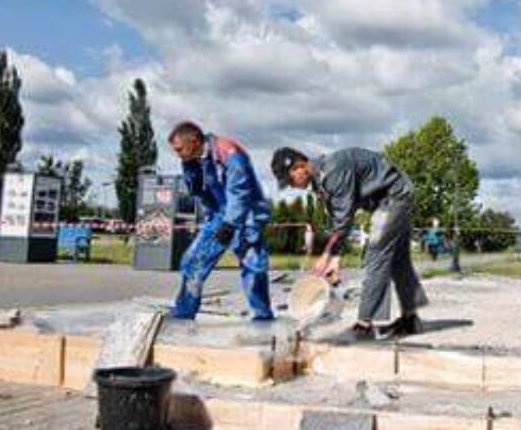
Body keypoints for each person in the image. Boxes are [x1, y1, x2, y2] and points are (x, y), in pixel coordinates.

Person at [272, 146, 427, 340]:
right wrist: (335, 259)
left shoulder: (334, 171)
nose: (292, 186)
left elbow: (343, 220)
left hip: (395, 197)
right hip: (394, 195)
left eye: (290, 180)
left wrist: (326, 256)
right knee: (398, 259)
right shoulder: (322, 179)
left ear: (300, 166)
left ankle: (365, 325)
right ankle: (411, 319)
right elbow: (340, 217)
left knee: (376, 256)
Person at [168, 121, 274, 321]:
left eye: (180, 149)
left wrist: (230, 224)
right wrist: (189, 168)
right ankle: (183, 313)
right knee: (193, 261)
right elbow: (200, 191)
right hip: (219, 214)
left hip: (245, 215)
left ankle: (263, 317)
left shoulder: (229, 153)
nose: (178, 154)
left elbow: (240, 193)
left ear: (194, 141)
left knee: (253, 265)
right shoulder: (196, 159)